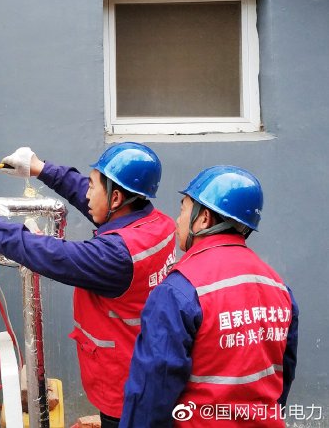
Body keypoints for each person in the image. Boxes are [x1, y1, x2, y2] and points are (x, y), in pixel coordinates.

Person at [0, 143, 177, 428]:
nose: (86, 194)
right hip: (148, 369)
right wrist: (39, 168)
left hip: (124, 387)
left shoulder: (116, 256)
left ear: (116, 198)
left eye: (92, 187)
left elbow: (51, 255)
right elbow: (91, 198)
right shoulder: (158, 224)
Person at [121, 165, 299, 427]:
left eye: (183, 209)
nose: (178, 220)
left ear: (204, 218)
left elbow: (152, 391)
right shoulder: (278, 286)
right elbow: (283, 376)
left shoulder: (178, 290)